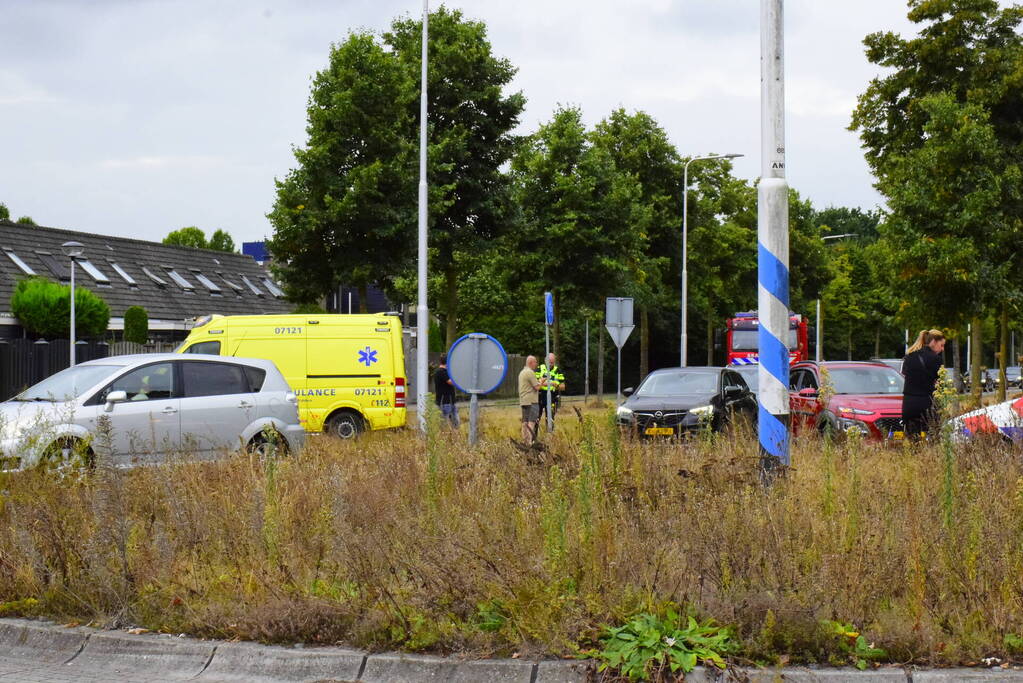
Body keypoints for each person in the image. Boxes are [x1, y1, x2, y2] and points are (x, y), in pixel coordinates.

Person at [902, 328, 946, 441]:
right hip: (927, 403)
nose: (942, 349)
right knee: (932, 438)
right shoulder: (935, 359)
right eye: (941, 345)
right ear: (933, 342)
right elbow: (940, 383)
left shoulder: (909, 357)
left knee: (912, 439)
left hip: (909, 404)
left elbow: (906, 375)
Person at [518, 355, 545, 446]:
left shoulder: (522, 372)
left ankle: (524, 441)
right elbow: (537, 387)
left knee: (524, 422)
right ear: (530, 363)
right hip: (532, 401)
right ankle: (529, 442)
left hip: (524, 401)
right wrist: (541, 381)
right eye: (535, 362)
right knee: (531, 422)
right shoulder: (530, 373)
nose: (536, 364)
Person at [536, 352, 566, 431]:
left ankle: (550, 436)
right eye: (549, 362)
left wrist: (555, 385)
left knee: (550, 418)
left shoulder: (557, 370)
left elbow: (563, 387)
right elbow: (535, 384)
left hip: (552, 396)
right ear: (545, 361)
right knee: (536, 418)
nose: (550, 364)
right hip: (540, 396)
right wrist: (544, 384)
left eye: (552, 362)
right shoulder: (540, 368)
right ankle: (533, 438)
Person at [434, 354, 459, 427]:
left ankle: (453, 437)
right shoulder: (441, 372)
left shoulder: (443, 371)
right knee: (445, 425)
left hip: (449, 402)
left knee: (454, 424)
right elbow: (451, 382)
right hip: (445, 403)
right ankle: (446, 437)